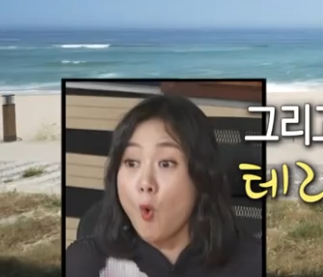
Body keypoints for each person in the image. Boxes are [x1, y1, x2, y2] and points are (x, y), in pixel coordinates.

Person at [64, 94, 261, 276]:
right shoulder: (85, 264)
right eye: (131, 162)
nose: (145, 183)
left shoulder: (253, 264)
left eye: (166, 163)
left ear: (202, 176)